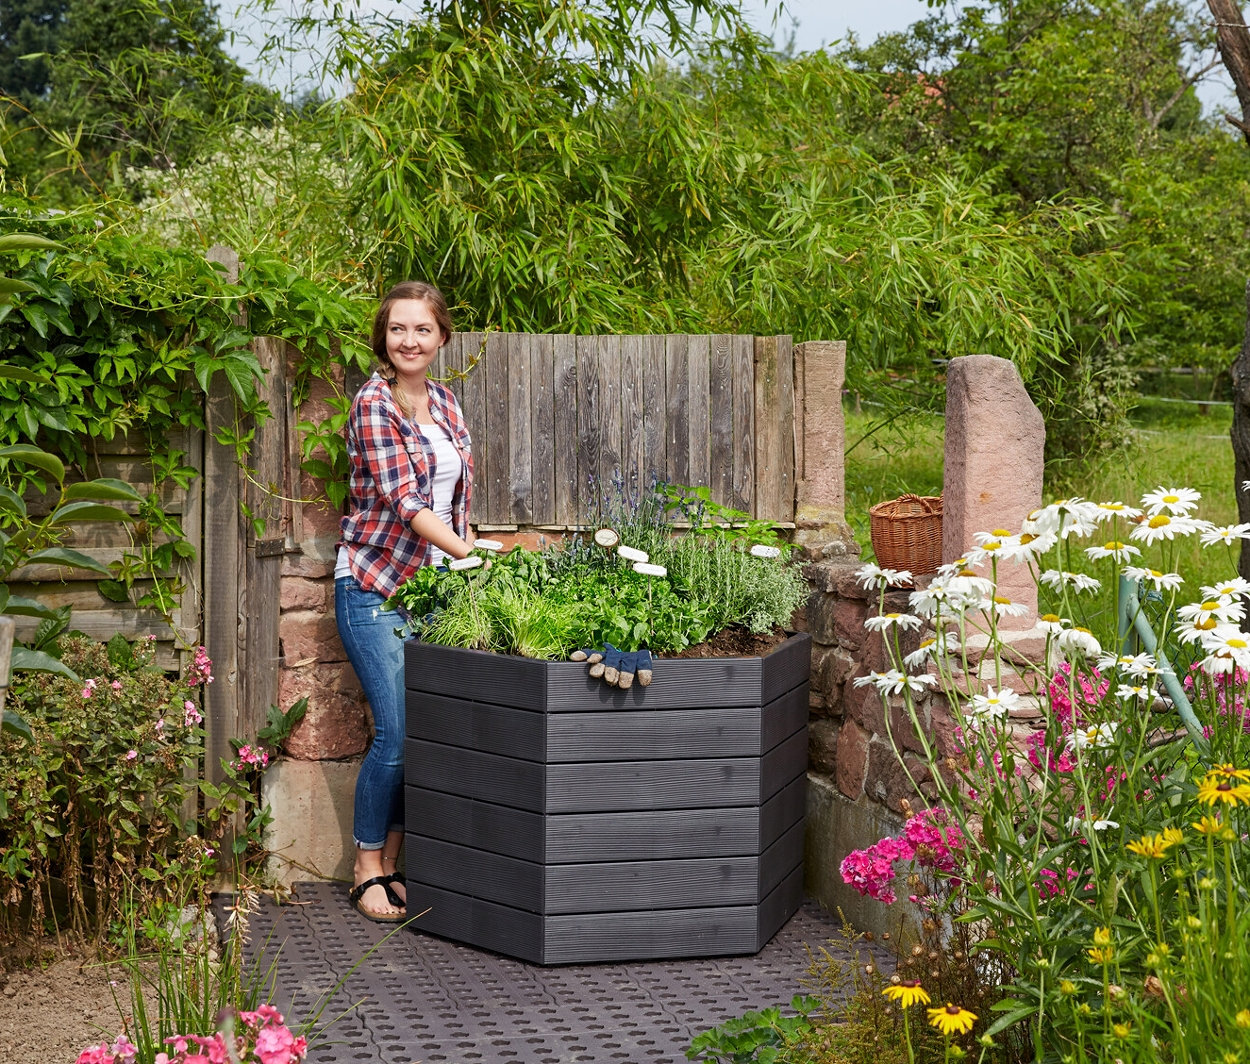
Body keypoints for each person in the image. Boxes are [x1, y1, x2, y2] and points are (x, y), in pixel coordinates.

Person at [335, 281, 475, 922]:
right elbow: (407, 503)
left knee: (428, 730)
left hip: (431, 589)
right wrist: (464, 552)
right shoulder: (373, 403)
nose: (409, 341)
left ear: (442, 336)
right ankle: (365, 866)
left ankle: (393, 862)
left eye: (422, 329)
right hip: (373, 586)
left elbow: (452, 500)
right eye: (398, 329)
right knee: (395, 730)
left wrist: (466, 547)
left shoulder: (445, 402)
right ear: (382, 338)